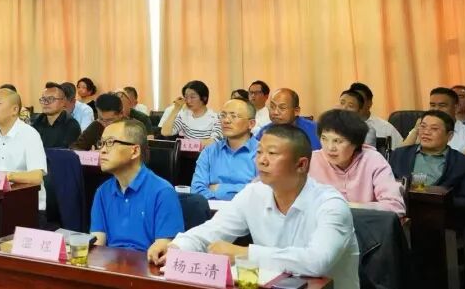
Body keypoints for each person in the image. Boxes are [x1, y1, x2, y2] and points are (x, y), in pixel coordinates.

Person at [149, 125, 360, 289]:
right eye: (259, 153)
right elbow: (212, 230)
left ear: (301, 164)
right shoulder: (254, 193)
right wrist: (177, 246)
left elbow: (317, 262)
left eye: (272, 154)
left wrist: (244, 254)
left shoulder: (331, 205)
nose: (262, 161)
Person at [390, 110, 465, 289]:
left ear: (449, 136)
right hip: (403, 214)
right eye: (423, 127)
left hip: (442, 220)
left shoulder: (462, 162)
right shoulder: (400, 154)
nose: (426, 132)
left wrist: (440, 204)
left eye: (434, 129)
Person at [90, 119, 184, 252]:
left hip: (147, 262)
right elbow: (97, 242)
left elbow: (163, 249)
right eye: (102, 143)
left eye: (110, 142)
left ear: (134, 151)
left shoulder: (163, 192)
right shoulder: (102, 192)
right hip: (111, 262)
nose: (102, 150)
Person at [309, 109, 404, 215]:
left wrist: (348, 207)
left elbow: (395, 207)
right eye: (324, 139)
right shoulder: (311, 160)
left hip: (364, 224)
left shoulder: (373, 160)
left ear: (356, 143)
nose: (330, 147)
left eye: (338, 141)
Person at [0, 89, 48, 210]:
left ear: (15, 109)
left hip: (25, 205)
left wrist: (8, 176)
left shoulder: (30, 135)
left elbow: (36, 176)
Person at [191, 99, 257, 201]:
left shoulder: (262, 153)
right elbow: (196, 190)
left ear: (251, 124)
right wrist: (244, 189)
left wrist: (219, 189)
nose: (226, 120)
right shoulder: (209, 152)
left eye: (234, 116)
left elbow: (263, 192)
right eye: (223, 115)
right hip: (212, 210)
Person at [402, 87, 465, 159]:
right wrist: (416, 130)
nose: (436, 109)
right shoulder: (421, 129)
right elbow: (400, 155)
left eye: (442, 105)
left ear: (456, 108)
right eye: (433, 105)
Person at [254, 88, 321, 150]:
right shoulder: (264, 131)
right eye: (272, 107)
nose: (275, 112)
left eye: (282, 108)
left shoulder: (316, 130)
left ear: (296, 111)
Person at [161, 80, 222, 145]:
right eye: (186, 97)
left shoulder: (216, 118)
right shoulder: (184, 115)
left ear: (204, 98)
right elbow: (165, 132)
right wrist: (176, 109)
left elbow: (214, 142)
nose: (188, 101)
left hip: (206, 151)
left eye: (192, 97)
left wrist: (186, 144)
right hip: (186, 151)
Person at [348, 82, 403, 147]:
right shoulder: (341, 126)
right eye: (352, 101)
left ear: (369, 103)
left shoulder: (385, 128)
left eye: (360, 100)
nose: (356, 104)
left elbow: (402, 150)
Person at [31, 83, 81, 148]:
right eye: (43, 99)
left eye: (51, 99)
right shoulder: (36, 122)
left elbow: (67, 152)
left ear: (63, 102)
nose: (46, 102)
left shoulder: (71, 125)